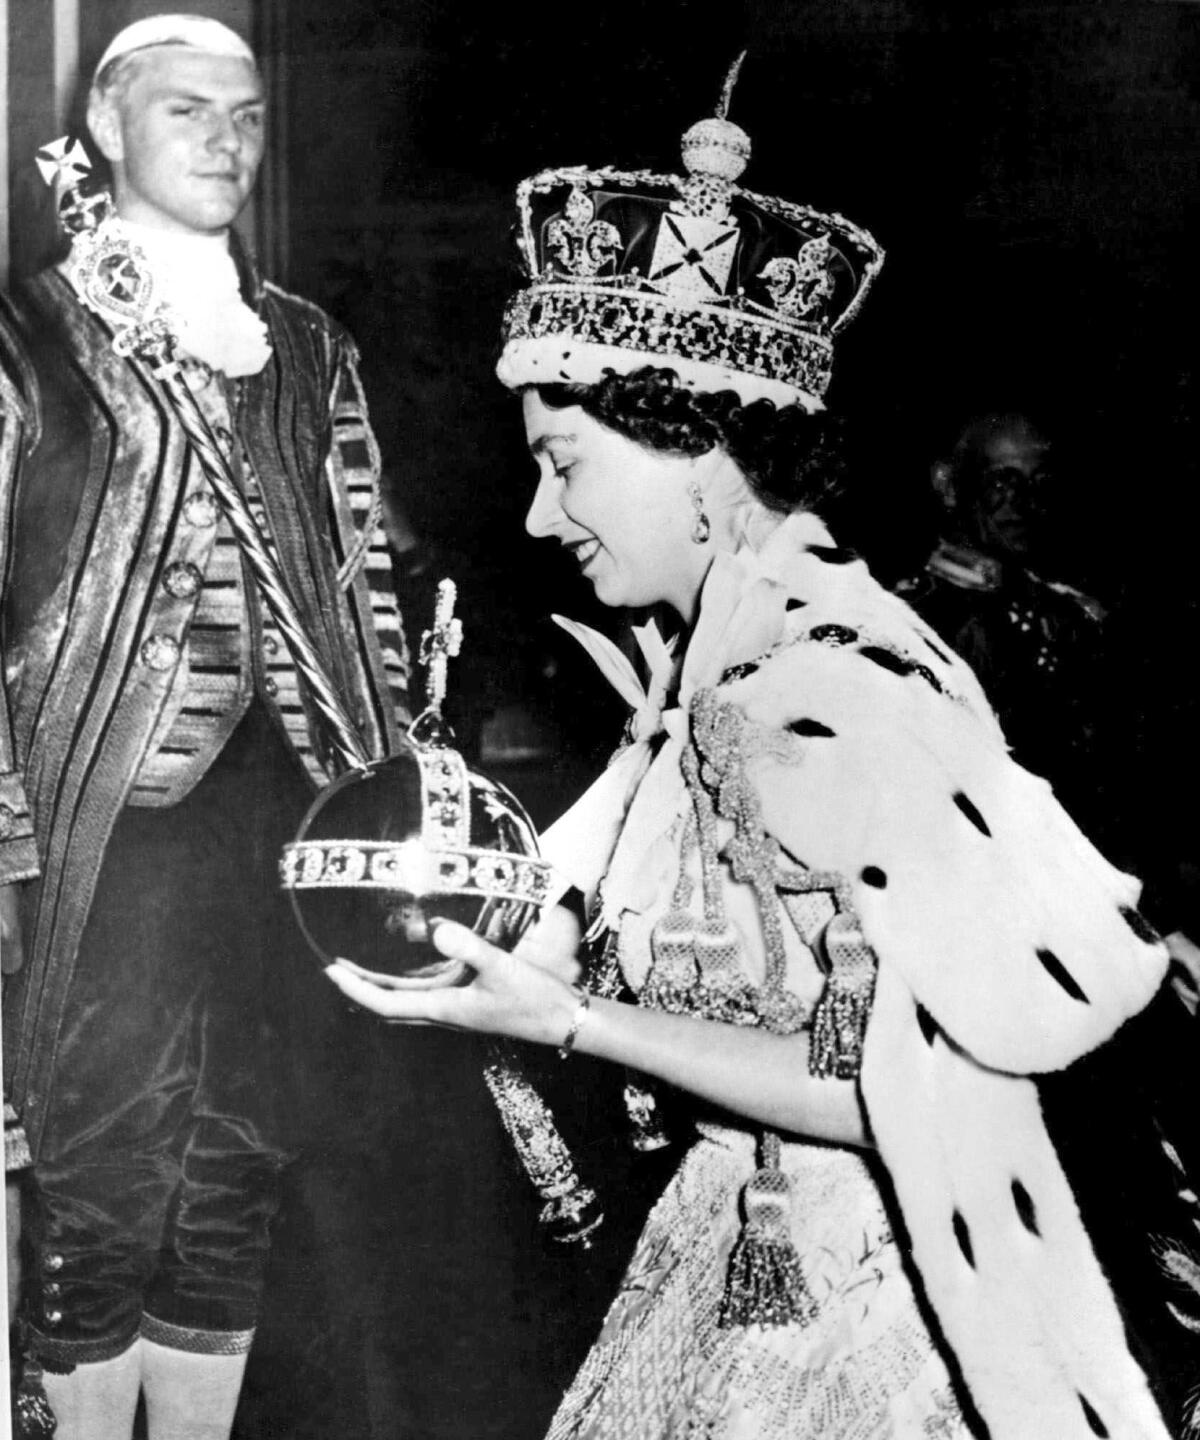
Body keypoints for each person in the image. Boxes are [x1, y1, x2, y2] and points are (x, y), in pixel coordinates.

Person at [329, 79, 1200, 1440]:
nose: (540, 514)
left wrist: (569, 1023)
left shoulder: (823, 686)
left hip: (867, 1306)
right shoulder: (715, 666)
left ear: (711, 458)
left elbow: (891, 1084)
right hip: (732, 1240)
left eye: (566, 462)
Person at [0, 15, 410, 1439]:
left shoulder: (309, 346)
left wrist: (398, 783)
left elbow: (370, 583)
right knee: (102, 1175)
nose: (229, 143)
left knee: (243, 1163)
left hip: (294, 811)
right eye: (190, 114)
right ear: (109, 129)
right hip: (105, 817)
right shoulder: (22, 336)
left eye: (245, 116)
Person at [896, 411, 1107, 829]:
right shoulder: (914, 620)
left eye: (1039, 482)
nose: (1024, 502)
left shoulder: (1071, 614)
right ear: (948, 485)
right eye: (1001, 482)